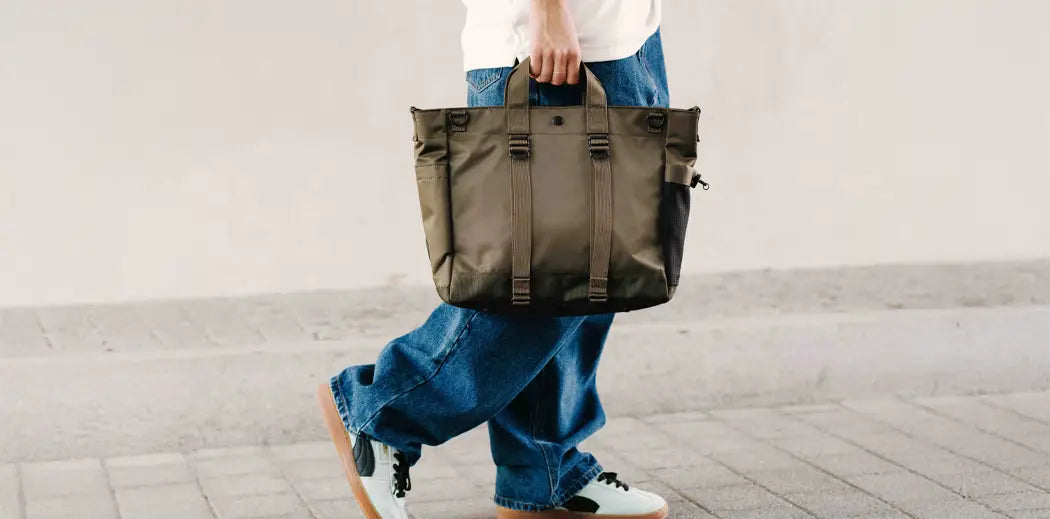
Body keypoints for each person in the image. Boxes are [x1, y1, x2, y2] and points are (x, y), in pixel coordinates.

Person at [316, 1, 671, 517]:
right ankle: (383, 412)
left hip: (625, 37)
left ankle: (543, 474)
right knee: (542, 279)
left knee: (594, 278)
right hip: (558, 43)